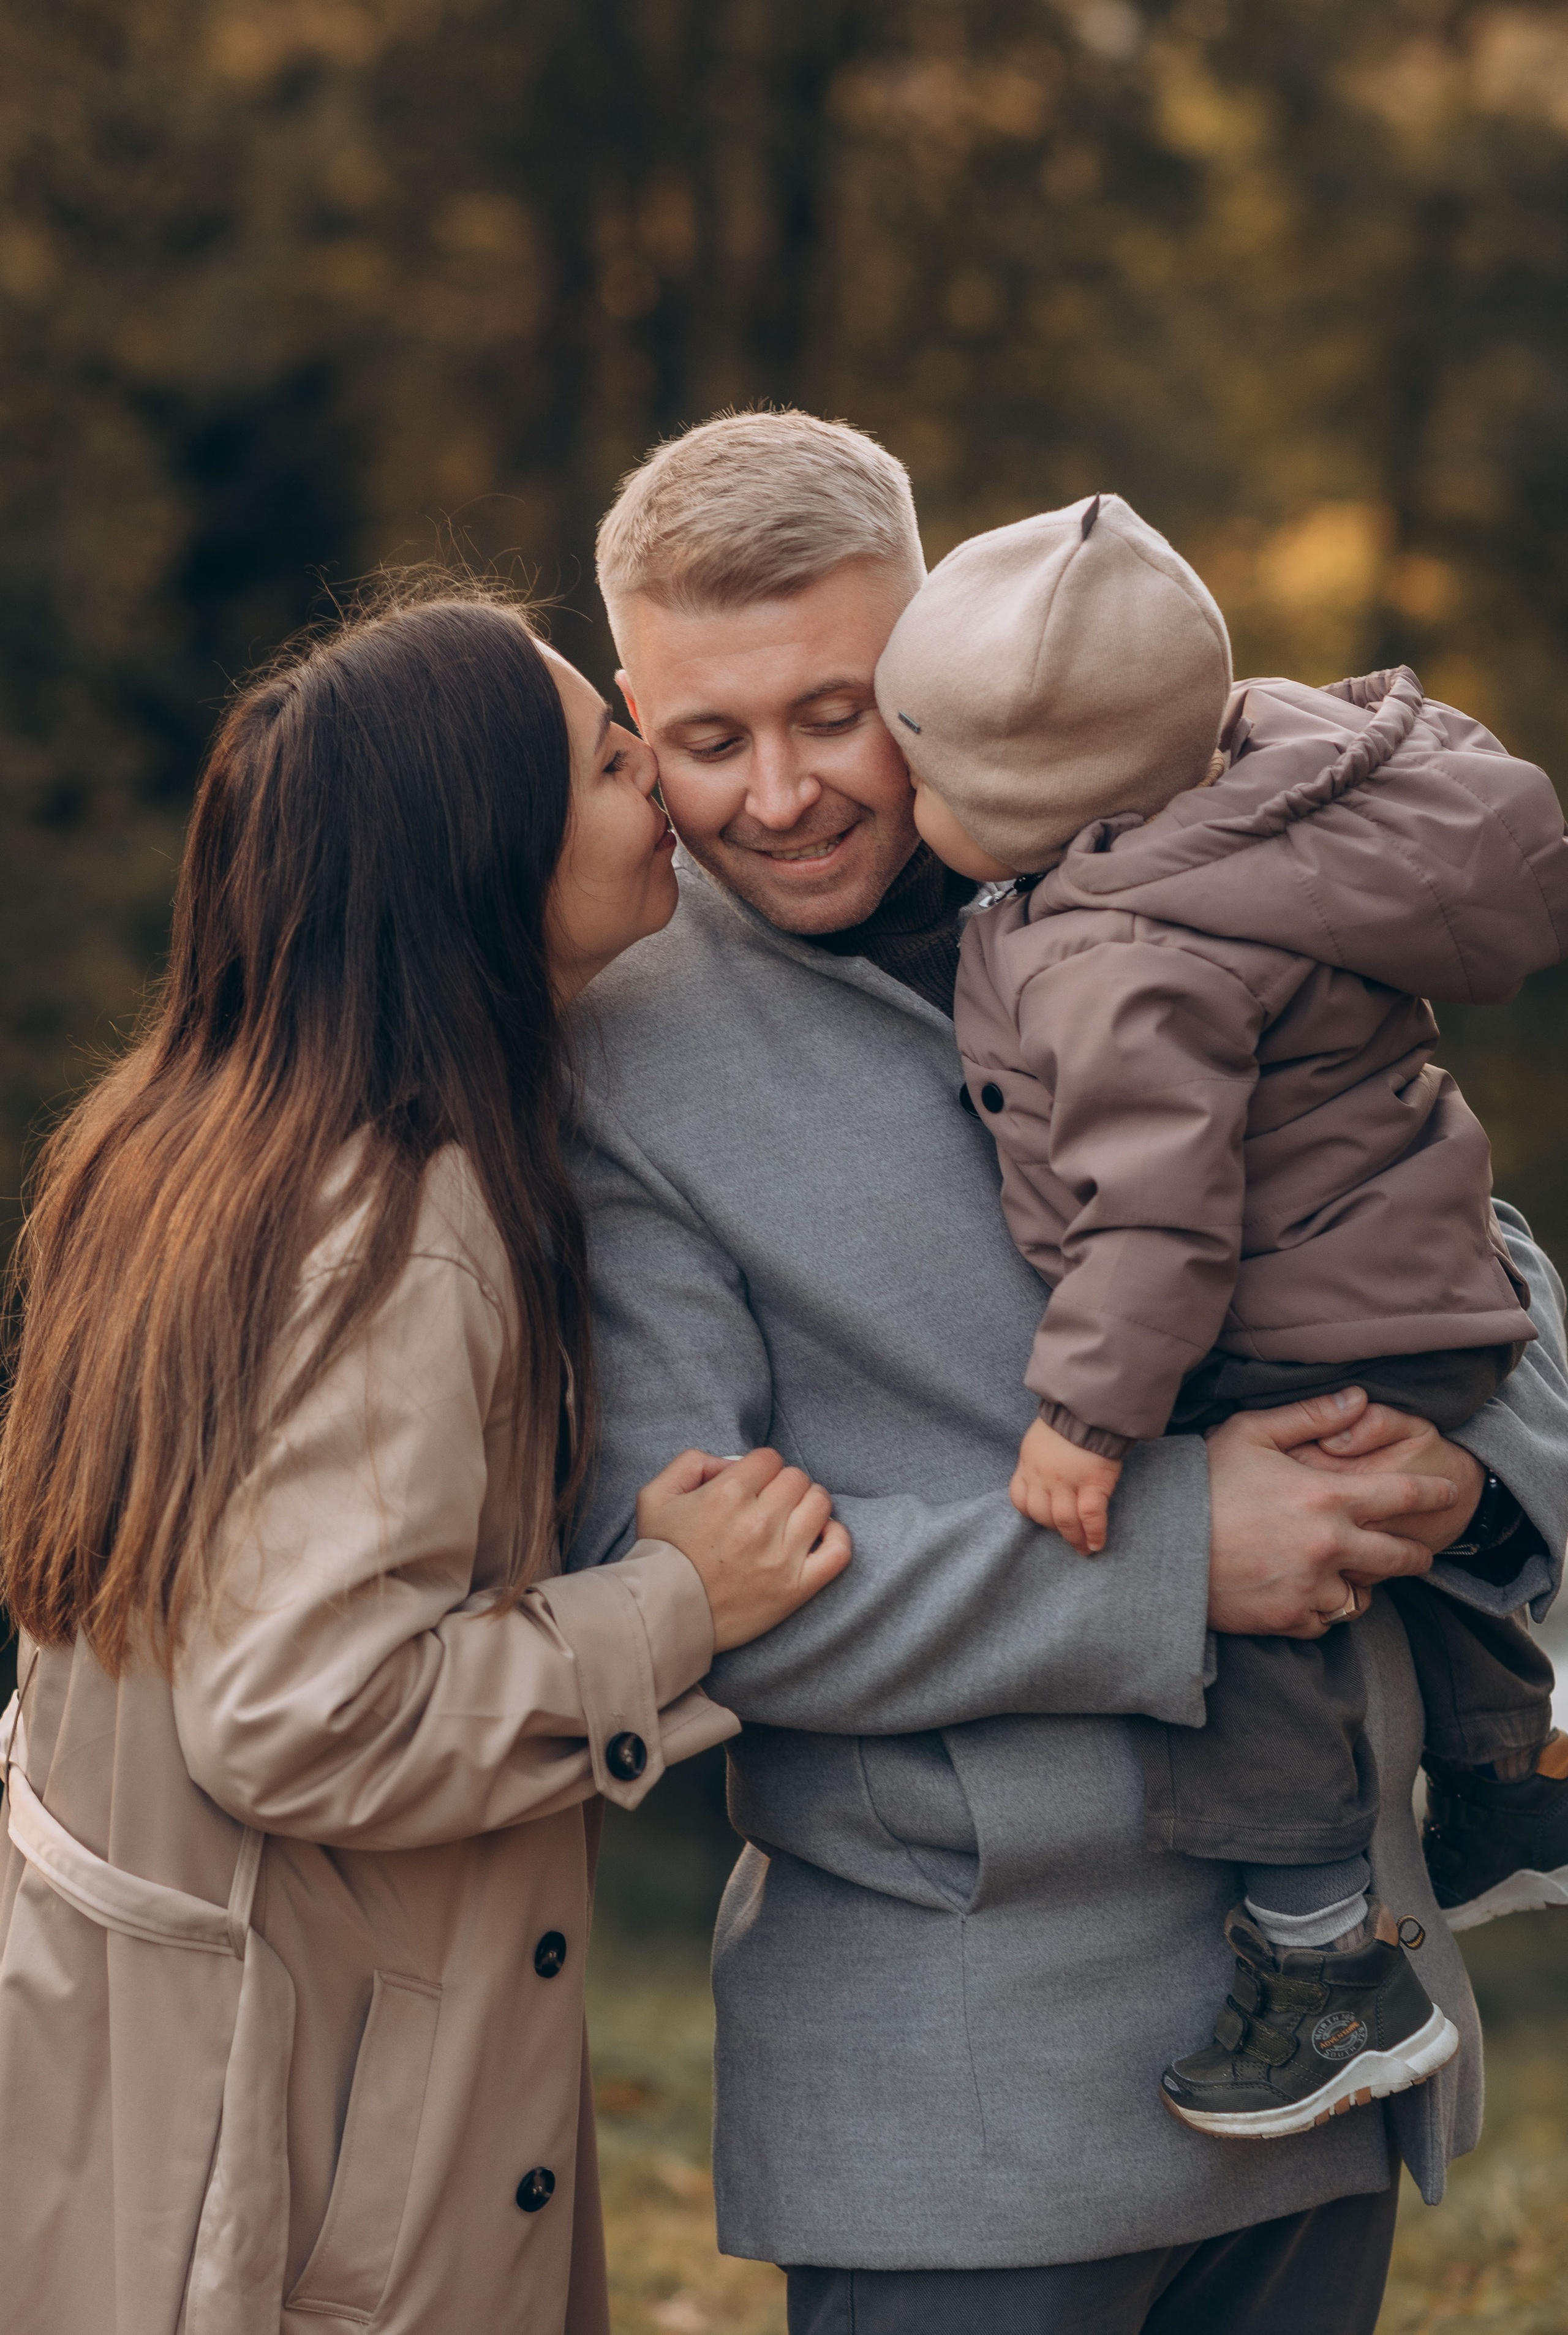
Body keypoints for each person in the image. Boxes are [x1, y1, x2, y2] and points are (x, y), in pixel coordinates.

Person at [567, 409, 1568, 2335]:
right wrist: (1175, 1550)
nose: (779, 794)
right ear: (636, 714)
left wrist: (1480, 1482)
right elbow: (672, 1581)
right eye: (709, 739)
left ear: (940, 659)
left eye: (833, 713)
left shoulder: (1200, 848)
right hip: (965, 2101)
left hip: (1328, 2055)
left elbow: (1463, 1250)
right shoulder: (618, 1047)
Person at [0, 586, 848, 2335]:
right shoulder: (403, 1223)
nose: (668, 802)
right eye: (621, 766)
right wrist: (675, 1604)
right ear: (493, 855)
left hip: (141, 2087)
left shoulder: (176, 1135)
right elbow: (305, 1707)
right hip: (308, 2165)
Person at [873, 491, 1568, 2138]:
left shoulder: (1118, 955)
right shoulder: (1269, 802)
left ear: (1050, 806)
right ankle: (1504, 1778)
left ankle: (1325, 1960)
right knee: (1354, 1539)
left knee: (1236, 1603)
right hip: (1410, 1281)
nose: (901, 802)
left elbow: (1158, 1216)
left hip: (1294, 1313)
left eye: (936, 781)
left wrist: (1091, 1416)